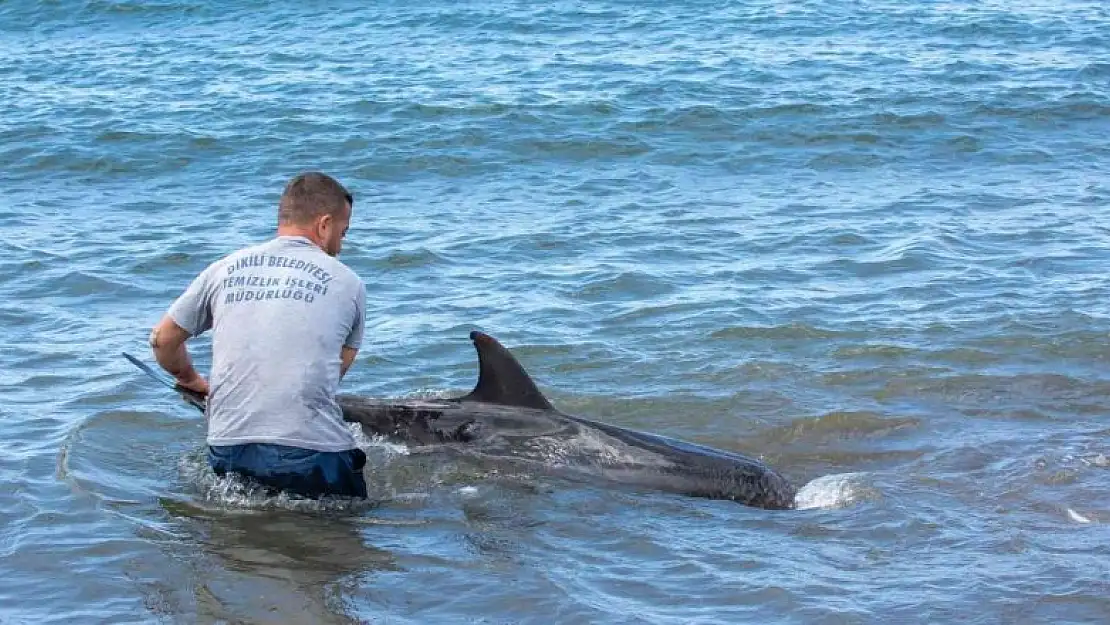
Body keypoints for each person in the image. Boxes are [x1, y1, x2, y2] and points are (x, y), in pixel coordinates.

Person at [148, 171, 369, 499]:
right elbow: (330, 376)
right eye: (343, 232)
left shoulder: (225, 267)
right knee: (351, 526)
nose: (340, 245)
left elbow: (162, 339)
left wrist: (191, 379)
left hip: (227, 444)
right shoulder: (348, 283)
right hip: (311, 453)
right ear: (324, 225)